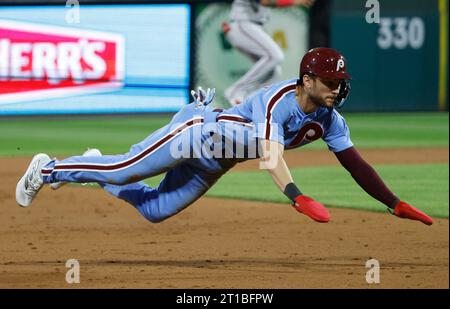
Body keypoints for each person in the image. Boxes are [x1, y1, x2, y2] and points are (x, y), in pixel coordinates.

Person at [16, 47, 433, 226]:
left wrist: (393, 203)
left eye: (341, 81)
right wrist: (296, 195)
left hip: (218, 161)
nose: (338, 88)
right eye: (330, 80)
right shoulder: (279, 99)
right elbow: (271, 155)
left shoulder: (329, 118)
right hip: (195, 136)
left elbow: (355, 163)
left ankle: (94, 165)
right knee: (125, 170)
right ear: (307, 79)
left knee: (156, 211)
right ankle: (48, 169)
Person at [223, 0, 315, 106]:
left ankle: (253, 104)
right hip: (243, 24)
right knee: (275, 56)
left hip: (250, 26)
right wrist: (294, 2)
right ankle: (236, 91)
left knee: (273, 73)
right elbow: (265, 1)